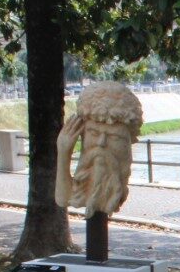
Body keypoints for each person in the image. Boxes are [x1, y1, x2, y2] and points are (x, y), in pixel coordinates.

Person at [55, 81, 144, 220]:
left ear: (128, 143)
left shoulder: (116, 171)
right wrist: (63, 153)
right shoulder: (85, 177)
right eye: (94, 133)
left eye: (114, 137)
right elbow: (63, 199)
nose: (101, 143)